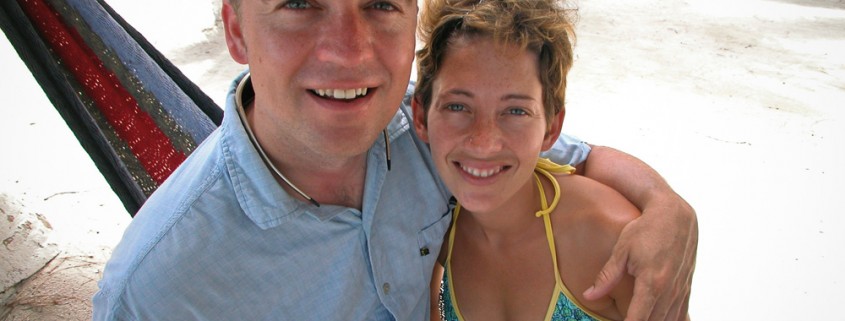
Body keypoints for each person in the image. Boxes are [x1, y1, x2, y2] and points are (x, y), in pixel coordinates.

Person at [92, 0, 697, 320]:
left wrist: (667, 206)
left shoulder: (432, 131)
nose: (350, 51)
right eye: (301, 2)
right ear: (237, 30)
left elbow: (578, 157)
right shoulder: (160, 290)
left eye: (381, 3)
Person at [412, 1, 691, 320]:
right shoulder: (437, 234)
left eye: (515, 111)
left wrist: (667, 203)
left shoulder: (609, 238)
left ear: (551, 128)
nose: (484, 142)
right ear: (421, 115)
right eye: (458, 107)